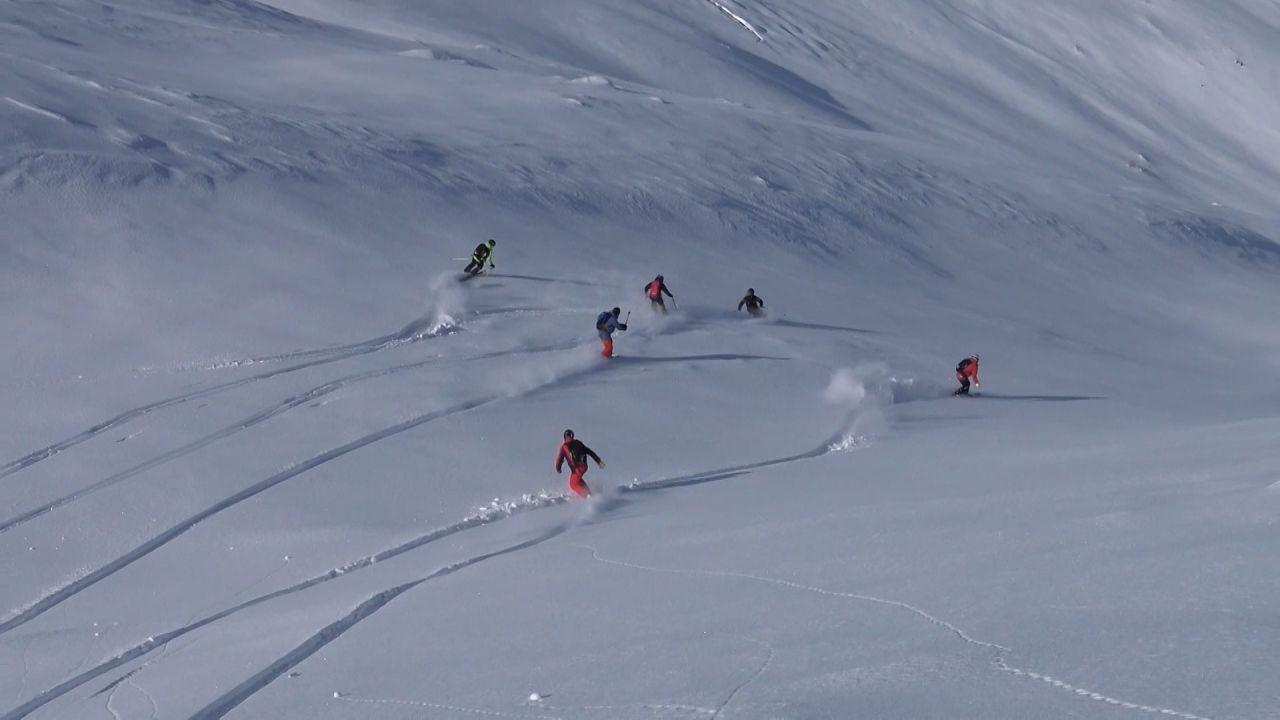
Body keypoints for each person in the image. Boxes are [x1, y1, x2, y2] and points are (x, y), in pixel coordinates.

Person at [555, 429, 604, 498]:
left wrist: (558, 468)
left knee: (573, 484)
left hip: (577, 468)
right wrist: (598, 460)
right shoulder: (578, 443)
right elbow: (589, 452)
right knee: (578, 481)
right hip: (584, 466)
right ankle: (589, 493)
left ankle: (587, 496)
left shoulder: (564, 446)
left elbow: (559, 459)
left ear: (564, 437)